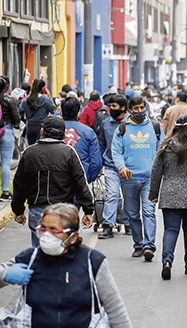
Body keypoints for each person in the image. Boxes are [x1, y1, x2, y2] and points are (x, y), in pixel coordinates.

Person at [0, 203, 143, 328]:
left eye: (53, 230)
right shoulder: (31, 259)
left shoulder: (92, 262)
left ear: (72, 237)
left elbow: (115, 307)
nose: (46, 235)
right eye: (43, 229)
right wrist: (6, 274)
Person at [12, 116, 94, 247]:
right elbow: (80, 183)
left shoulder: (29, 153)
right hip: (63, 212)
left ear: (42, 132)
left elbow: (19, 184)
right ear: (63, 136)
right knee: (63, 250)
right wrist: (88, 210)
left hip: (37, 211)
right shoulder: (69, 153)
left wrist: (18, 211)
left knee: (39, 252)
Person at [149, 114, 187, 279]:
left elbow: (156, 172)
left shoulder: (165, 144)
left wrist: (153, 193)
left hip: (170, 194)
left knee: (170, 230)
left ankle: (167, 262)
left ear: (175, 127)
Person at [112, 96, 166, 260]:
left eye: (142, 107)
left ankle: (149, 246)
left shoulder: (155, 127)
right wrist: (121, 167)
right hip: (129, 179)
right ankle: (138, 244)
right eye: (136, 109)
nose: (140, 111)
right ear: (130, 110)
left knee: (149, 212)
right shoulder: (122, 128)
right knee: (132, 214)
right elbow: (116, 151)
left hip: (150, 179)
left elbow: (162, 150)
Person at [98, 94, 130, 239]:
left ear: (123, 108)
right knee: (112, 195)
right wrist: (99, 165)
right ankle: (107, 226)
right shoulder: (106, 123)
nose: (111, 109)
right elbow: (102, 144)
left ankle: (129, 224)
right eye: (110, 106)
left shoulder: (132, 122)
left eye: (114, 106)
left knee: (129, 196)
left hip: (129, 166)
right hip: (110, 165)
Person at [61, 97, 103, 183]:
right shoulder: (88, 132)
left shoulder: (50, 129)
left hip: (55, 179)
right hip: (80, 177)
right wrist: (89, 178)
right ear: (79, 113)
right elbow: (96, 162)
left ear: (61, 112)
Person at [18, 79, 56, 145]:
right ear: (43, 88)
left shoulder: (27, 99)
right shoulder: (45, 99)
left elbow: (20, 110)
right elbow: (53, 109)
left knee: (30, 146)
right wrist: (50, 97)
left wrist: (25, 117)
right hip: (42, 126)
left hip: (30, 126)